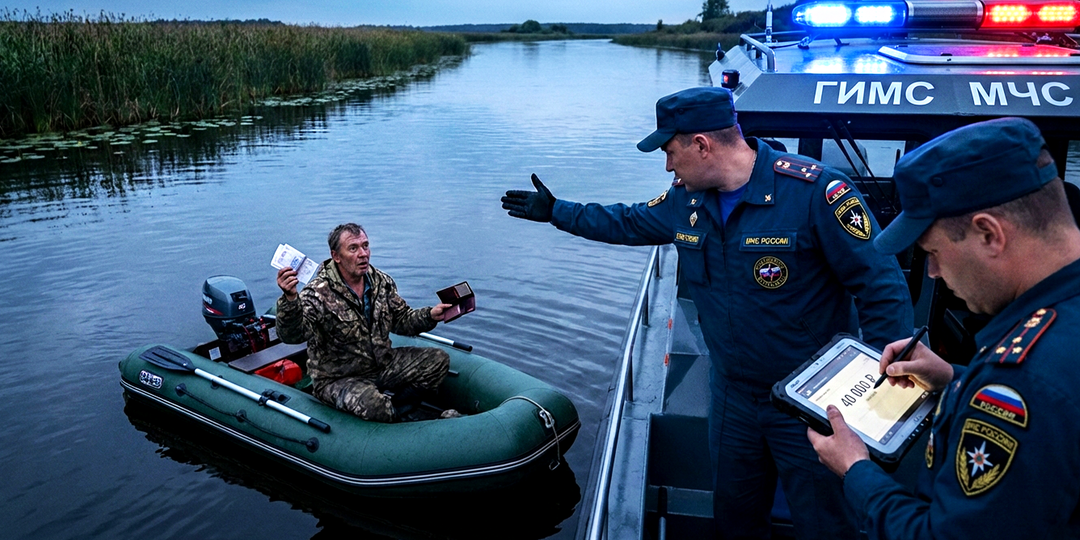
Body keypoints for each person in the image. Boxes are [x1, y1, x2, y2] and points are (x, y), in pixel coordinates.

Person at [501, 86, 913, 539]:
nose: (667, 164)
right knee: (734, 517)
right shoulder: (686, 201)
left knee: (826, 523)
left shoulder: (815, 193)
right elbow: (627, 221)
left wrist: (877, 394)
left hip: (813, 403)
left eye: (670, 151)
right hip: (733, 396)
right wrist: (558, 211)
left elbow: (881, 286)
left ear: (702, 144)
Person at [808, 117, 1080, 538]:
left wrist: (856, 470)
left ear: (989, 234)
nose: (932, 272)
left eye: (933, 251)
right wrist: (955, 379)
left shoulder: (1024, 381)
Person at [275, 223, 459, 422]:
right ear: (336, 256)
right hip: (339, 378)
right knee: (373, 405)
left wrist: (430, 315)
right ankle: (394, 416)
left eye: (365, 246)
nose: (363, 254)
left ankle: (398, 410)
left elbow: (402, 320)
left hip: (381, 365)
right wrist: (290, 300)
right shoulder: (317, 292)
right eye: (353, 248)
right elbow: (292, 336)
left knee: (438, 360)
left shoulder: (381, 281)